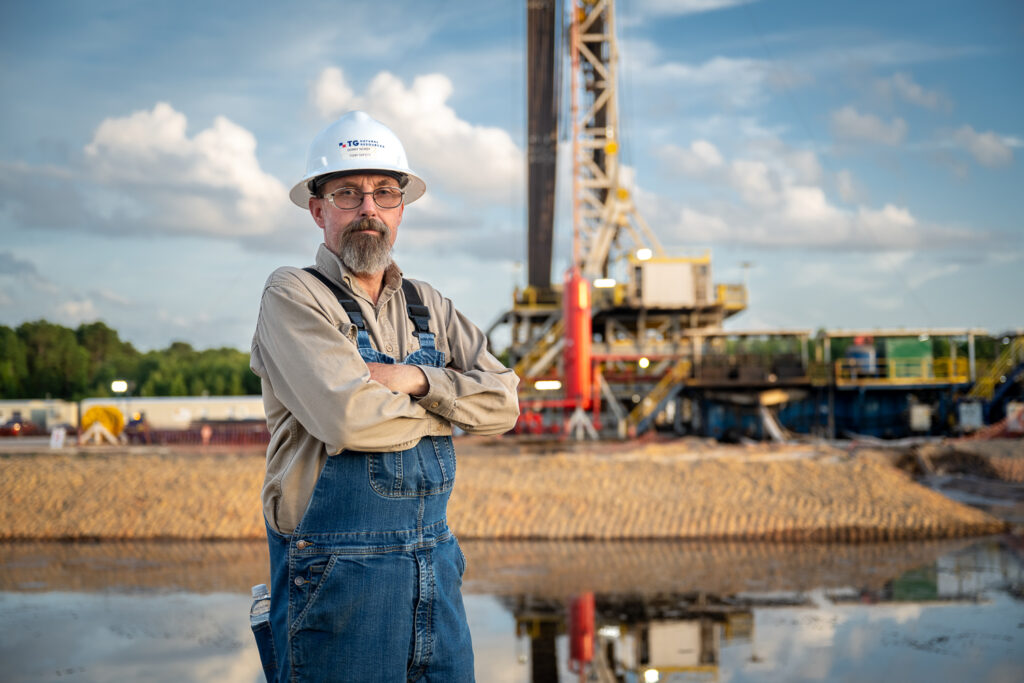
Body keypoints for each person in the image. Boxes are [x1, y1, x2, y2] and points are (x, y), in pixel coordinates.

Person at [249, 110, 520, 682]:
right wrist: (451, 409)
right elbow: (347, 419)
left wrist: (418, 380)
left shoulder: (428, 304)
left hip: (436, 570)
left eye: (384, 193)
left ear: (401, 209)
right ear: (318, 210)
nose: (367, 208)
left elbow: (504, 404)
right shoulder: (294, 294)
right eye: (347, 193)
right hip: (337, 578)